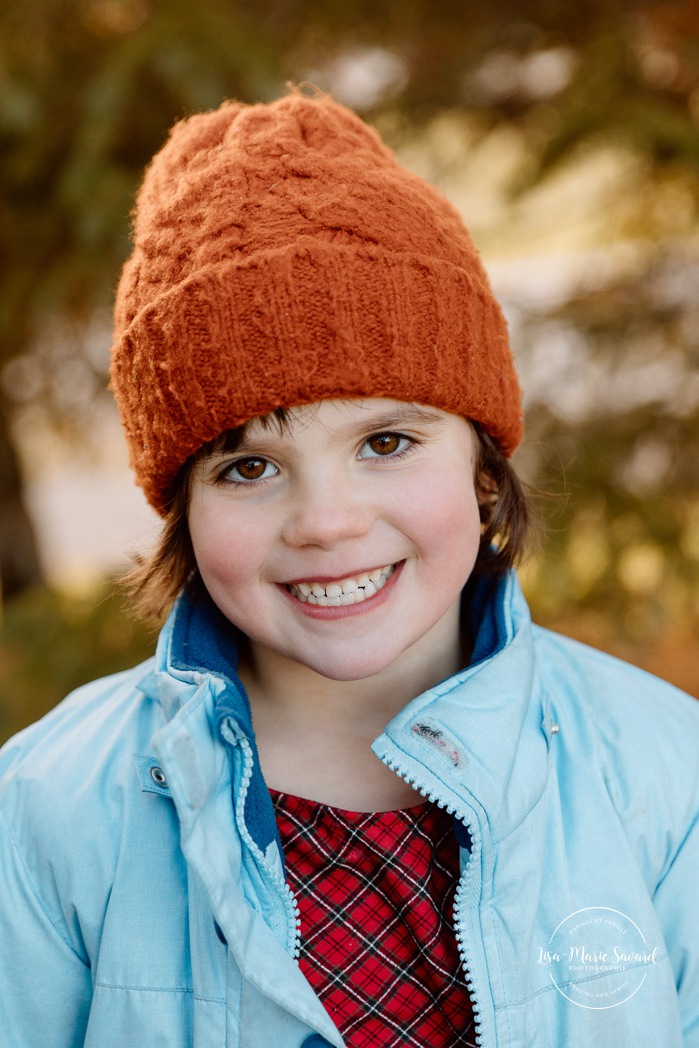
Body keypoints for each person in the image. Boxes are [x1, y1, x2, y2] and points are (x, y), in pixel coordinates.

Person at [0, 88, 697, 1048]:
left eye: (385, 442)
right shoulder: (49, 807)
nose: (326, 523)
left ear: (483, 468)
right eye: (248, 467)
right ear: (182, 510)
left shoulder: (660, 773)